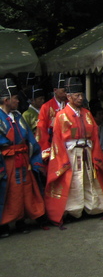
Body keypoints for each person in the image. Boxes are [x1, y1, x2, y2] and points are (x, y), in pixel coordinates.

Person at [44, 77, 103, 225]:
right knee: (74, 181)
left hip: (87, 152)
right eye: (77, 96)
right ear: (68, 97)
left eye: (81, 95)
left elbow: (95, 134)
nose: (80, 98)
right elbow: (57, 139)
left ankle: (91, 207)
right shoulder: (61, 115)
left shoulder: (87, 113)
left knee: (89, 178)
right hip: (71, 153)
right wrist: (62, 159)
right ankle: (73, 210)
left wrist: (95, 152)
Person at [0, 78, 46, 237]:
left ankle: (21, 221)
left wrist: (34, 157)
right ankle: (4, 224)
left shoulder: (18, 115)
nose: (18, 101)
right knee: (9, 192)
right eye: (15, 98)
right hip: (7, 161)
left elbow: (30, 139)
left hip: (22, 159)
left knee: (24, 191)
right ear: (6, 100)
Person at [36, 72, 68, 164]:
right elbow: (41, 130)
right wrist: (47, 150)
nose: (66, 94)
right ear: (55, 90)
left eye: (67, 91)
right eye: (63, 91)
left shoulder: (69, 105)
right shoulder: (46, 107)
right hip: (53, 146)